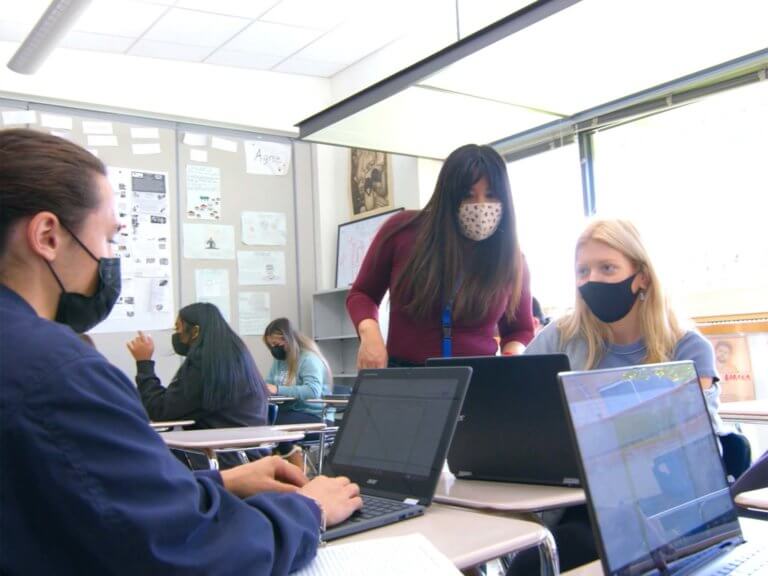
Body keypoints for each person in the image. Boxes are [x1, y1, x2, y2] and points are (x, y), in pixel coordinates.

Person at [0, 128, 361, 575]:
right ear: (48, 236)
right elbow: (191, 552)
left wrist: (219, 481)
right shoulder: (58, 371)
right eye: (109, 239)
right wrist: (309, 509)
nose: (110, 256)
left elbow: (91, 497)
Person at [517, 218, 726, 574]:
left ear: (641, 276)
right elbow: (515, 399)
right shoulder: (561, 337)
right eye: (583, 271)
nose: (592, 280)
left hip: (658, 512)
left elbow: (694, 448)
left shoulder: (687, 348)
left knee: (539, 561)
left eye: (607, 268)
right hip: (573, 502)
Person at [347, 144, 534, 367]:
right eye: (468, 195)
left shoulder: (511, 259)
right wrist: (370, 335)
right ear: (448, 196)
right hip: (407, 376)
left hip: (478, 379)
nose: (481, 206)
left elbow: (520, 330)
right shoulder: (402, 231)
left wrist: (511, 359)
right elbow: (362, 293)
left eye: (491, 195)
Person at [127, 302, 269, 469]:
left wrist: (144, 363)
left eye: (178, 328)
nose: (176, 334)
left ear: (195, 331)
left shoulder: (204, 365)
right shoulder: (237, 356)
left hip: (222, 457)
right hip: (250, 453)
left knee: (138, 454)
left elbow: (160, 410)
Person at [263, 317, 333, 467]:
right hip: (290, 413)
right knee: (260, 419)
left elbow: (312, 390)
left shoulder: (309, 359)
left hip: (316, 415)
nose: (274, 349)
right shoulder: (279, 361)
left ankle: (297, 468)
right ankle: (281, 468)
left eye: (277, 344)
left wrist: (278, 389)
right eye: (271, 346)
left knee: (274, 425)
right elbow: (269, 384)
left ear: (288, 340)